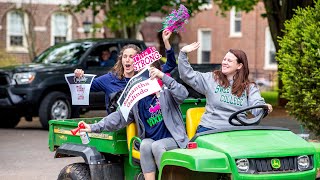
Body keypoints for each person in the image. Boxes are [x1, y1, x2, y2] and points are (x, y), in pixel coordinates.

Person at [79, 61, 189, 180]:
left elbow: (183, 94)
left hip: (174, 139)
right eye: (141, 73)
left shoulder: (167, 91)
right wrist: (93, 127)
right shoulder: (137, 99)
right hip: (152, 141)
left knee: (157, 146)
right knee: (145, 144)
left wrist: (163, 76)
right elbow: (119, 117)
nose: (145, 76)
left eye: (148, 72)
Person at [74, 29, 177, 114]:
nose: (127, 60)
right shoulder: (110, 79)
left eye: (131, 57)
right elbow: (85, 86)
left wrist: (166, 42)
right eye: (125, 57)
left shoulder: (146, 75)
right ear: (121, 59)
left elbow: (171, 64)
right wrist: (79, 77)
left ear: (138, 60)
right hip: (116, 127)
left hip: (140, 128)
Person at [178, 42, 273, 133]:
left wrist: (264, 108)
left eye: (229, 60)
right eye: (224, 59)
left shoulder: (249, 87)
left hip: (237, 131)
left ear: (239, 65)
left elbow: (257, 107)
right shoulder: (212, 79)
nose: (224, 62)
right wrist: (183, 53)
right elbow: (187, 75)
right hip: (211, 129)